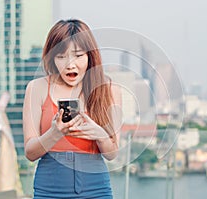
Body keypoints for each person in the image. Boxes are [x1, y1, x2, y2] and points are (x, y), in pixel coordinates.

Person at [23, 19, 122, 199]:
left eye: (78, 55)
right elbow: (30, 152)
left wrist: (99, 134)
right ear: (52, 57)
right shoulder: (36, 88)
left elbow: (112, 153)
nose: (70, 64)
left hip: (96, 189)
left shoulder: (108, 88)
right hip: (49, 189)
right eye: (61, 56)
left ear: (90, 56)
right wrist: (55, 133)